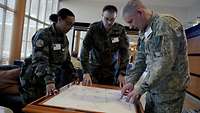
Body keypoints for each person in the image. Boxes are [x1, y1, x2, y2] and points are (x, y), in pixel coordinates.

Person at [121, 0, 190, 113]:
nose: (131, 26)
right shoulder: (144, 31)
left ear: (140, 12)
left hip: (169, 92)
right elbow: (141, 59)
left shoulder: (165, 24)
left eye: (131, 21)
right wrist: (131, 81)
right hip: (153, 88)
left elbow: (164, 63)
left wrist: (141, 87)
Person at [19, 8, 76, 104]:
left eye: (72, 25)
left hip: (50, 79)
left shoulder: (64, 39)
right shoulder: (43, 34)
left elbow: (66, 61)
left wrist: (75, 77)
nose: (70, 27)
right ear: (59, 19)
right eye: (68, 23)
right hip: (34, 81)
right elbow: (40, 61)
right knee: (33, 108)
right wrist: (49, 81)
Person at [80, 5, 129, 86]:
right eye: (106, 19)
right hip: (94, 70)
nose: (109, 22)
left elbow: (125, 52)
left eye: (112, 19)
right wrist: (86, 71)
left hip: (112, 71)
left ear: (115, 18)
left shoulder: (120, 30)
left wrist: (122, 73)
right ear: (102, 16)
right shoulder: (94, 28)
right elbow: (85, 49)